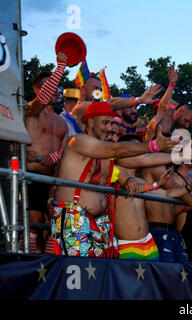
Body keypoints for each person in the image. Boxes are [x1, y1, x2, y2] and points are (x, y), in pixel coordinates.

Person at [49, 101, 177, 257]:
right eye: (105, 123)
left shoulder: (106, 154)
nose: (109, 129)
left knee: (102, 275)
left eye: (111, 123)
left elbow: (143, 159)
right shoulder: (78, 141)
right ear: (90, 122)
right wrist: (154, 145)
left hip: (101, 223)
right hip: (75, 219)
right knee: (81, 274)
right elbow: (117, 149)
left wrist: (182, 156)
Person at [25, 53, 69, 253]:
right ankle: (29, 261)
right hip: (31, 174)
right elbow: (40, 101)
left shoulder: (62, 121)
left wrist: (57, 156)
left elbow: (66, 150)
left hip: (53, 179)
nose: (55, 90)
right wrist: (59, 68)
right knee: (34, 220)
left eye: (56, 85)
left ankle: (50, 267)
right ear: (36, 89)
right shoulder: (31, 110)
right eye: (50, 85)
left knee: (56, 221)